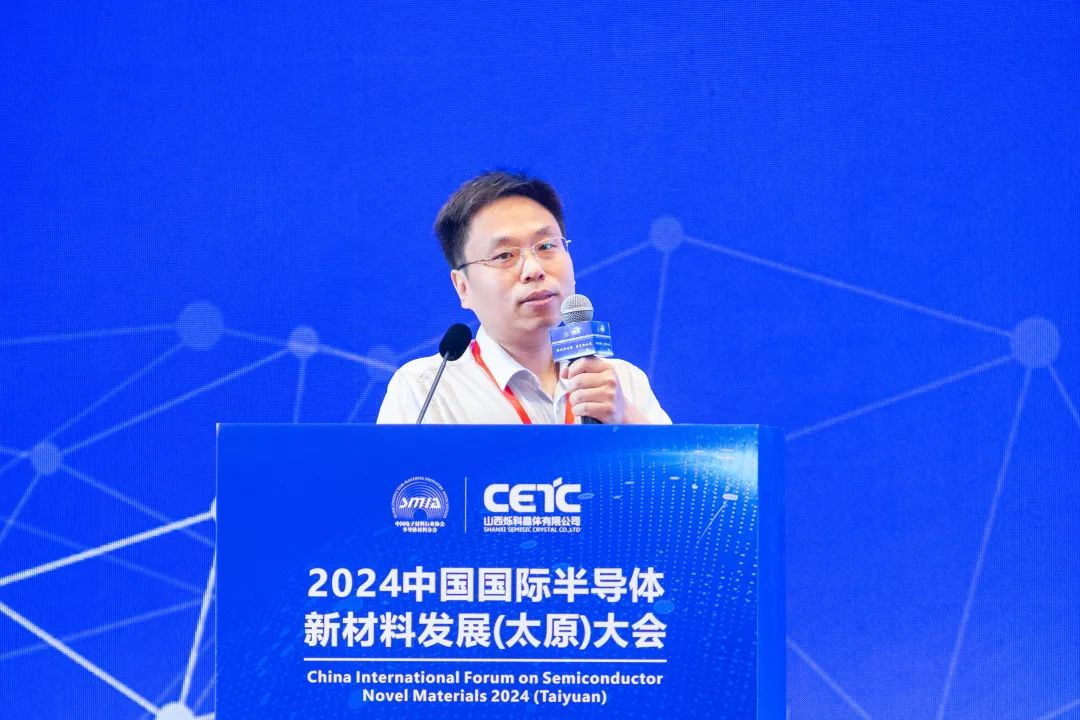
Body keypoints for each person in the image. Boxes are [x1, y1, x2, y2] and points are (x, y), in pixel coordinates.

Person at [376, 171, 671, 425]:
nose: (533, 269)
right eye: (504, 255)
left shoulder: (623, 382)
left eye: (546, 246)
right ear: (463, 287)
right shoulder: (427, 390)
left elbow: (680, 474)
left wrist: (626, 415)